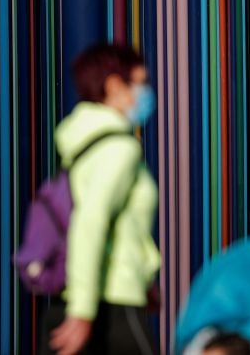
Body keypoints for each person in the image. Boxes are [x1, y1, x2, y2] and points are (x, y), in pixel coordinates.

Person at [40, 43, 160, 355]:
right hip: (113, 305)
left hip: (84, 297)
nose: (146, 92)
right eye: (140, 82)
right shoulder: (120, 149)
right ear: (114, 86)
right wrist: (82, 312)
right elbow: (90, 220)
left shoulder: (82, 143)